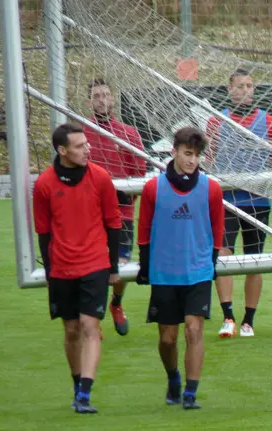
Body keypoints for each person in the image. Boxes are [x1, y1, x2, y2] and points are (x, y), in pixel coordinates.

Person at [33, 123, 123, 413]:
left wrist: (112, 266)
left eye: (87, 143)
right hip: (62, 267)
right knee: (71, 329)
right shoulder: (45, 184)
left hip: (95, 263)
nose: (88, 149)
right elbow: (43, 231)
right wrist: (48, 272)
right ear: (62, 150)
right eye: (80, 145)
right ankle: (76, 386)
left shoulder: (100, 178)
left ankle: (84, 393)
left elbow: (113, 222)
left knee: (89, 326)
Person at [135, 127, 225, 410]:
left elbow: (218, 228)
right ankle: (173, 376)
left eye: (197, 155)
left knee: (193, 330)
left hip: (198, 272)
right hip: (164, 273)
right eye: (187, 154)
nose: (192, 160)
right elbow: (145, 228)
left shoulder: (211, 188)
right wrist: (145, 263)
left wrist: (210, 262)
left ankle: (190, 392)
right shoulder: (153, 187)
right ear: (173, 151)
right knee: (167, 338)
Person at [205, 68, 272, 338]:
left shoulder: (269, 121)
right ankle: (228, 316)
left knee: (255, 260)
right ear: (229, 88)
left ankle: (249, 320)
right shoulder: (217, 122)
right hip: (225, 201)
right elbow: (209, 160)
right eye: (240, 86)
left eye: (250, 86)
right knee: (223, 257)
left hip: (258, 200)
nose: (245, 90)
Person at [84, 78, 148, 337]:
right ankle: (94, 315)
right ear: (89, 102)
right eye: (96, 95)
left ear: (113, 99)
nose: (101, 99)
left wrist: (123, 199)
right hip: (88, 214)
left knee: (119, 268)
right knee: (91, 267)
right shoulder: (80, 134)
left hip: (122, 214)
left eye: (106, 95)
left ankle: (116, 304)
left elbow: (139, 172)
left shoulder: (129, 133)